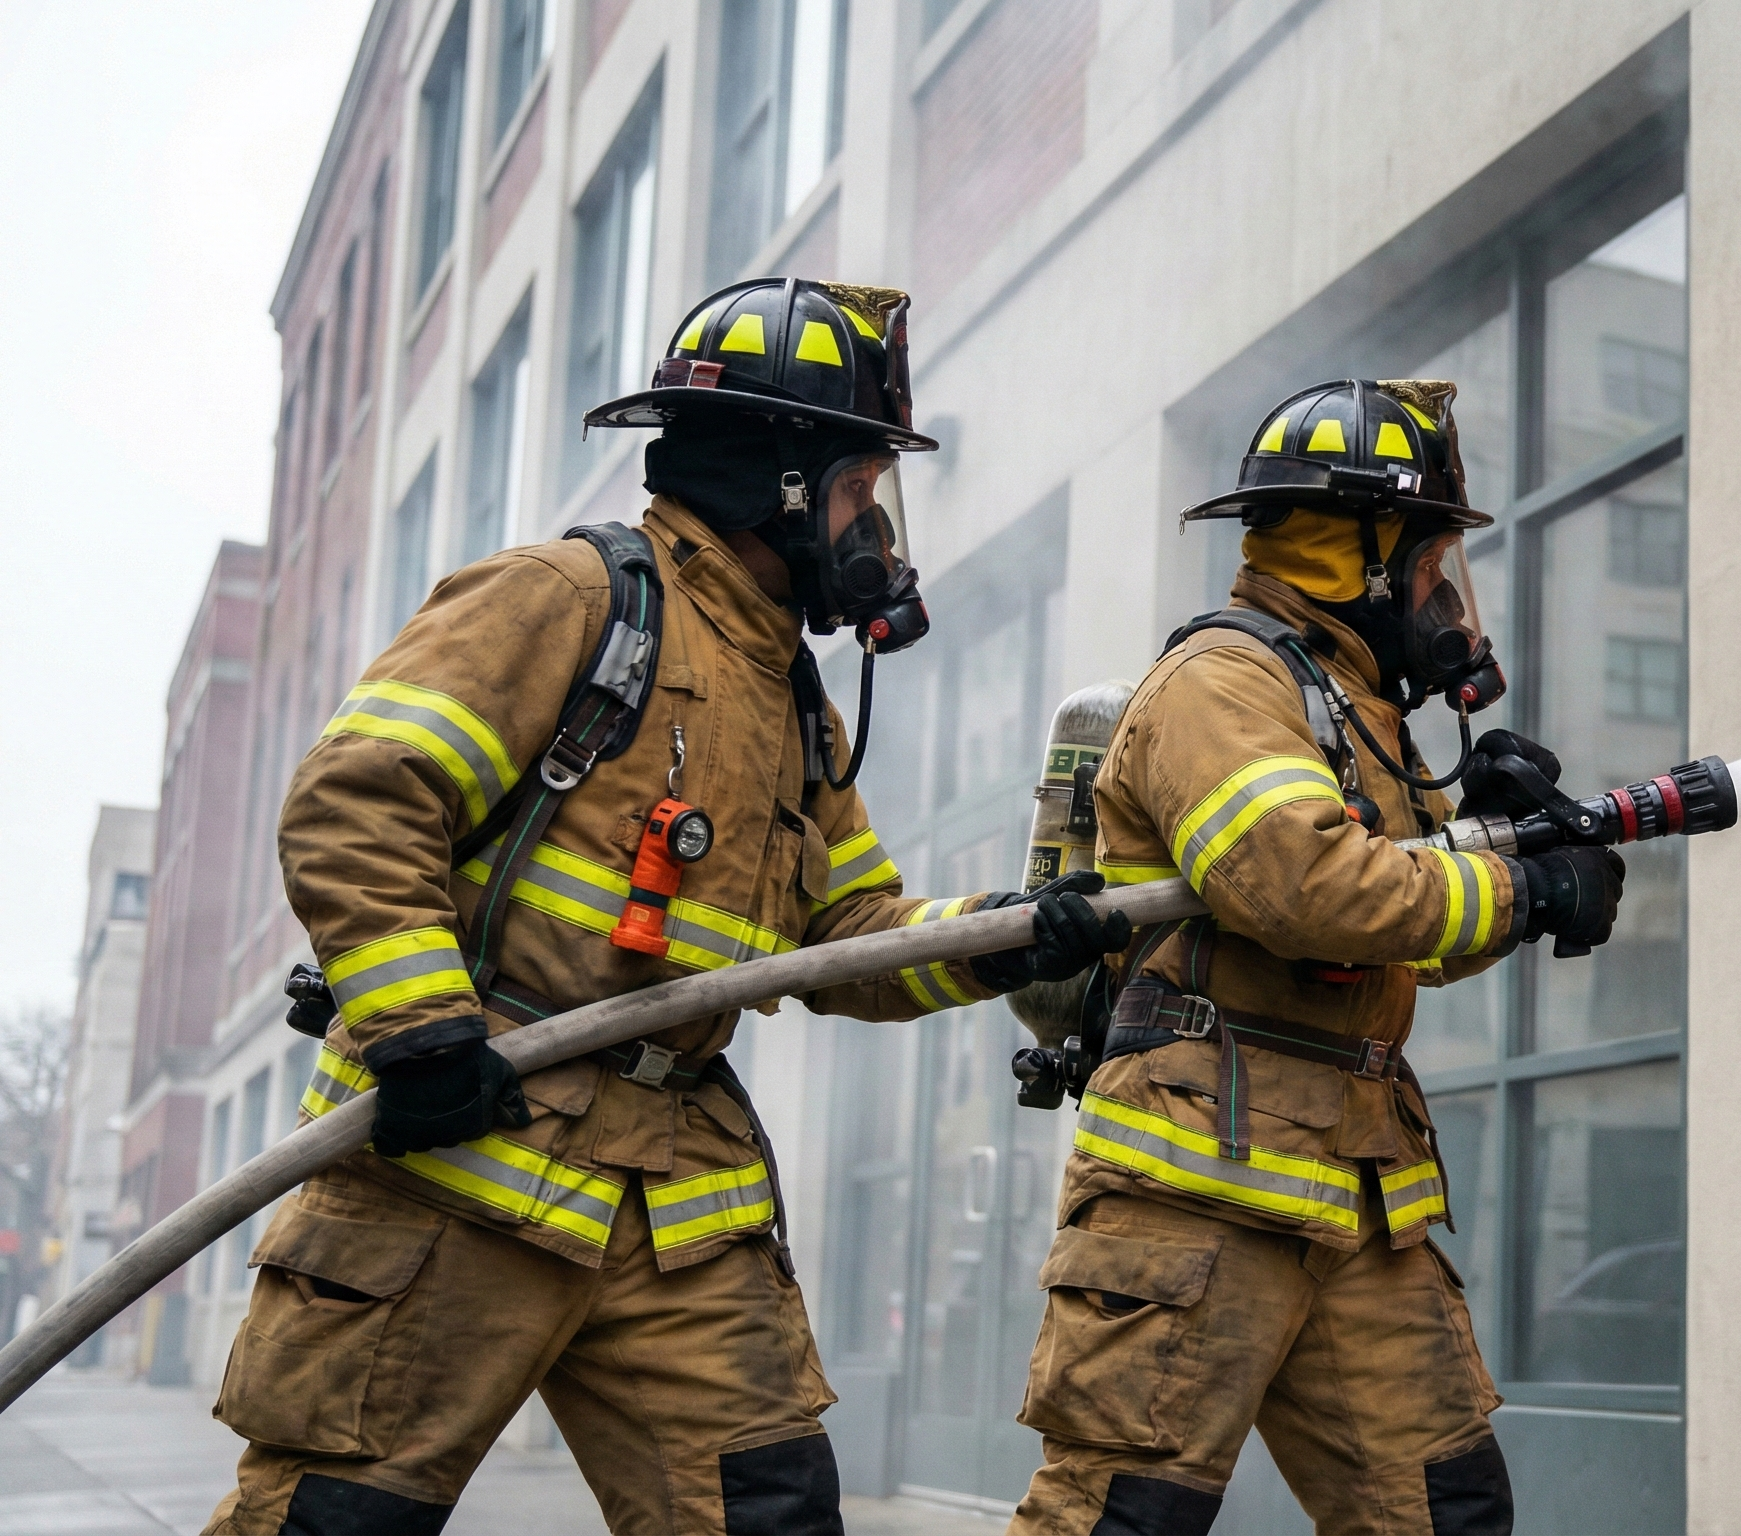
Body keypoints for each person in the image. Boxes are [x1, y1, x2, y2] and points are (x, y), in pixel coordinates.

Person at [204, 278, 1129, 1536]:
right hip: (467, 1159)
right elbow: (358, 799)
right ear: (782, 480)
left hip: (675, 1207)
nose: (877, 530)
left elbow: (847, 942)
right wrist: (421, 1029)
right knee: (333, 1523)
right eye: (863, 489)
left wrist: (1015, 930)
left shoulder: (794, 702)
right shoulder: (568, 599)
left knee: (769, 1514)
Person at [1006, 379, 1625, 1536]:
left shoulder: (1346, 709)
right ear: (1365, 556)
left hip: (1358, 1197)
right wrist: (1514, 886)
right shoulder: (1223, 683)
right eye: (1435, 565)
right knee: (1121, 1518)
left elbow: (1410, 942)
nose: (1449, 602)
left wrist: (1496, 851)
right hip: (1198, 1193)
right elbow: (1302, 885)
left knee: (1442, 1512)